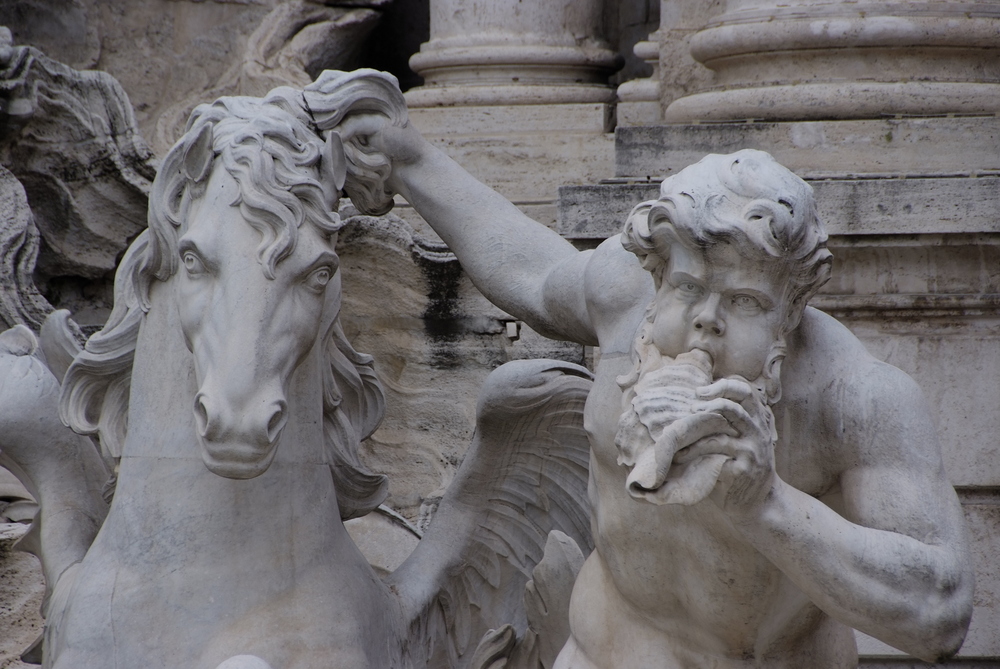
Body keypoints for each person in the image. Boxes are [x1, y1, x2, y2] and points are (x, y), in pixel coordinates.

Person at [341, 113, 973, 667]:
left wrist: (766, 504)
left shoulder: (857, 400)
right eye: (690, 289)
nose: (707, 319)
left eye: (745, 302)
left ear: (790, 313)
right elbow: (530, 273)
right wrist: (409, 159)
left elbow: (939, 613)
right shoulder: (627, 296)